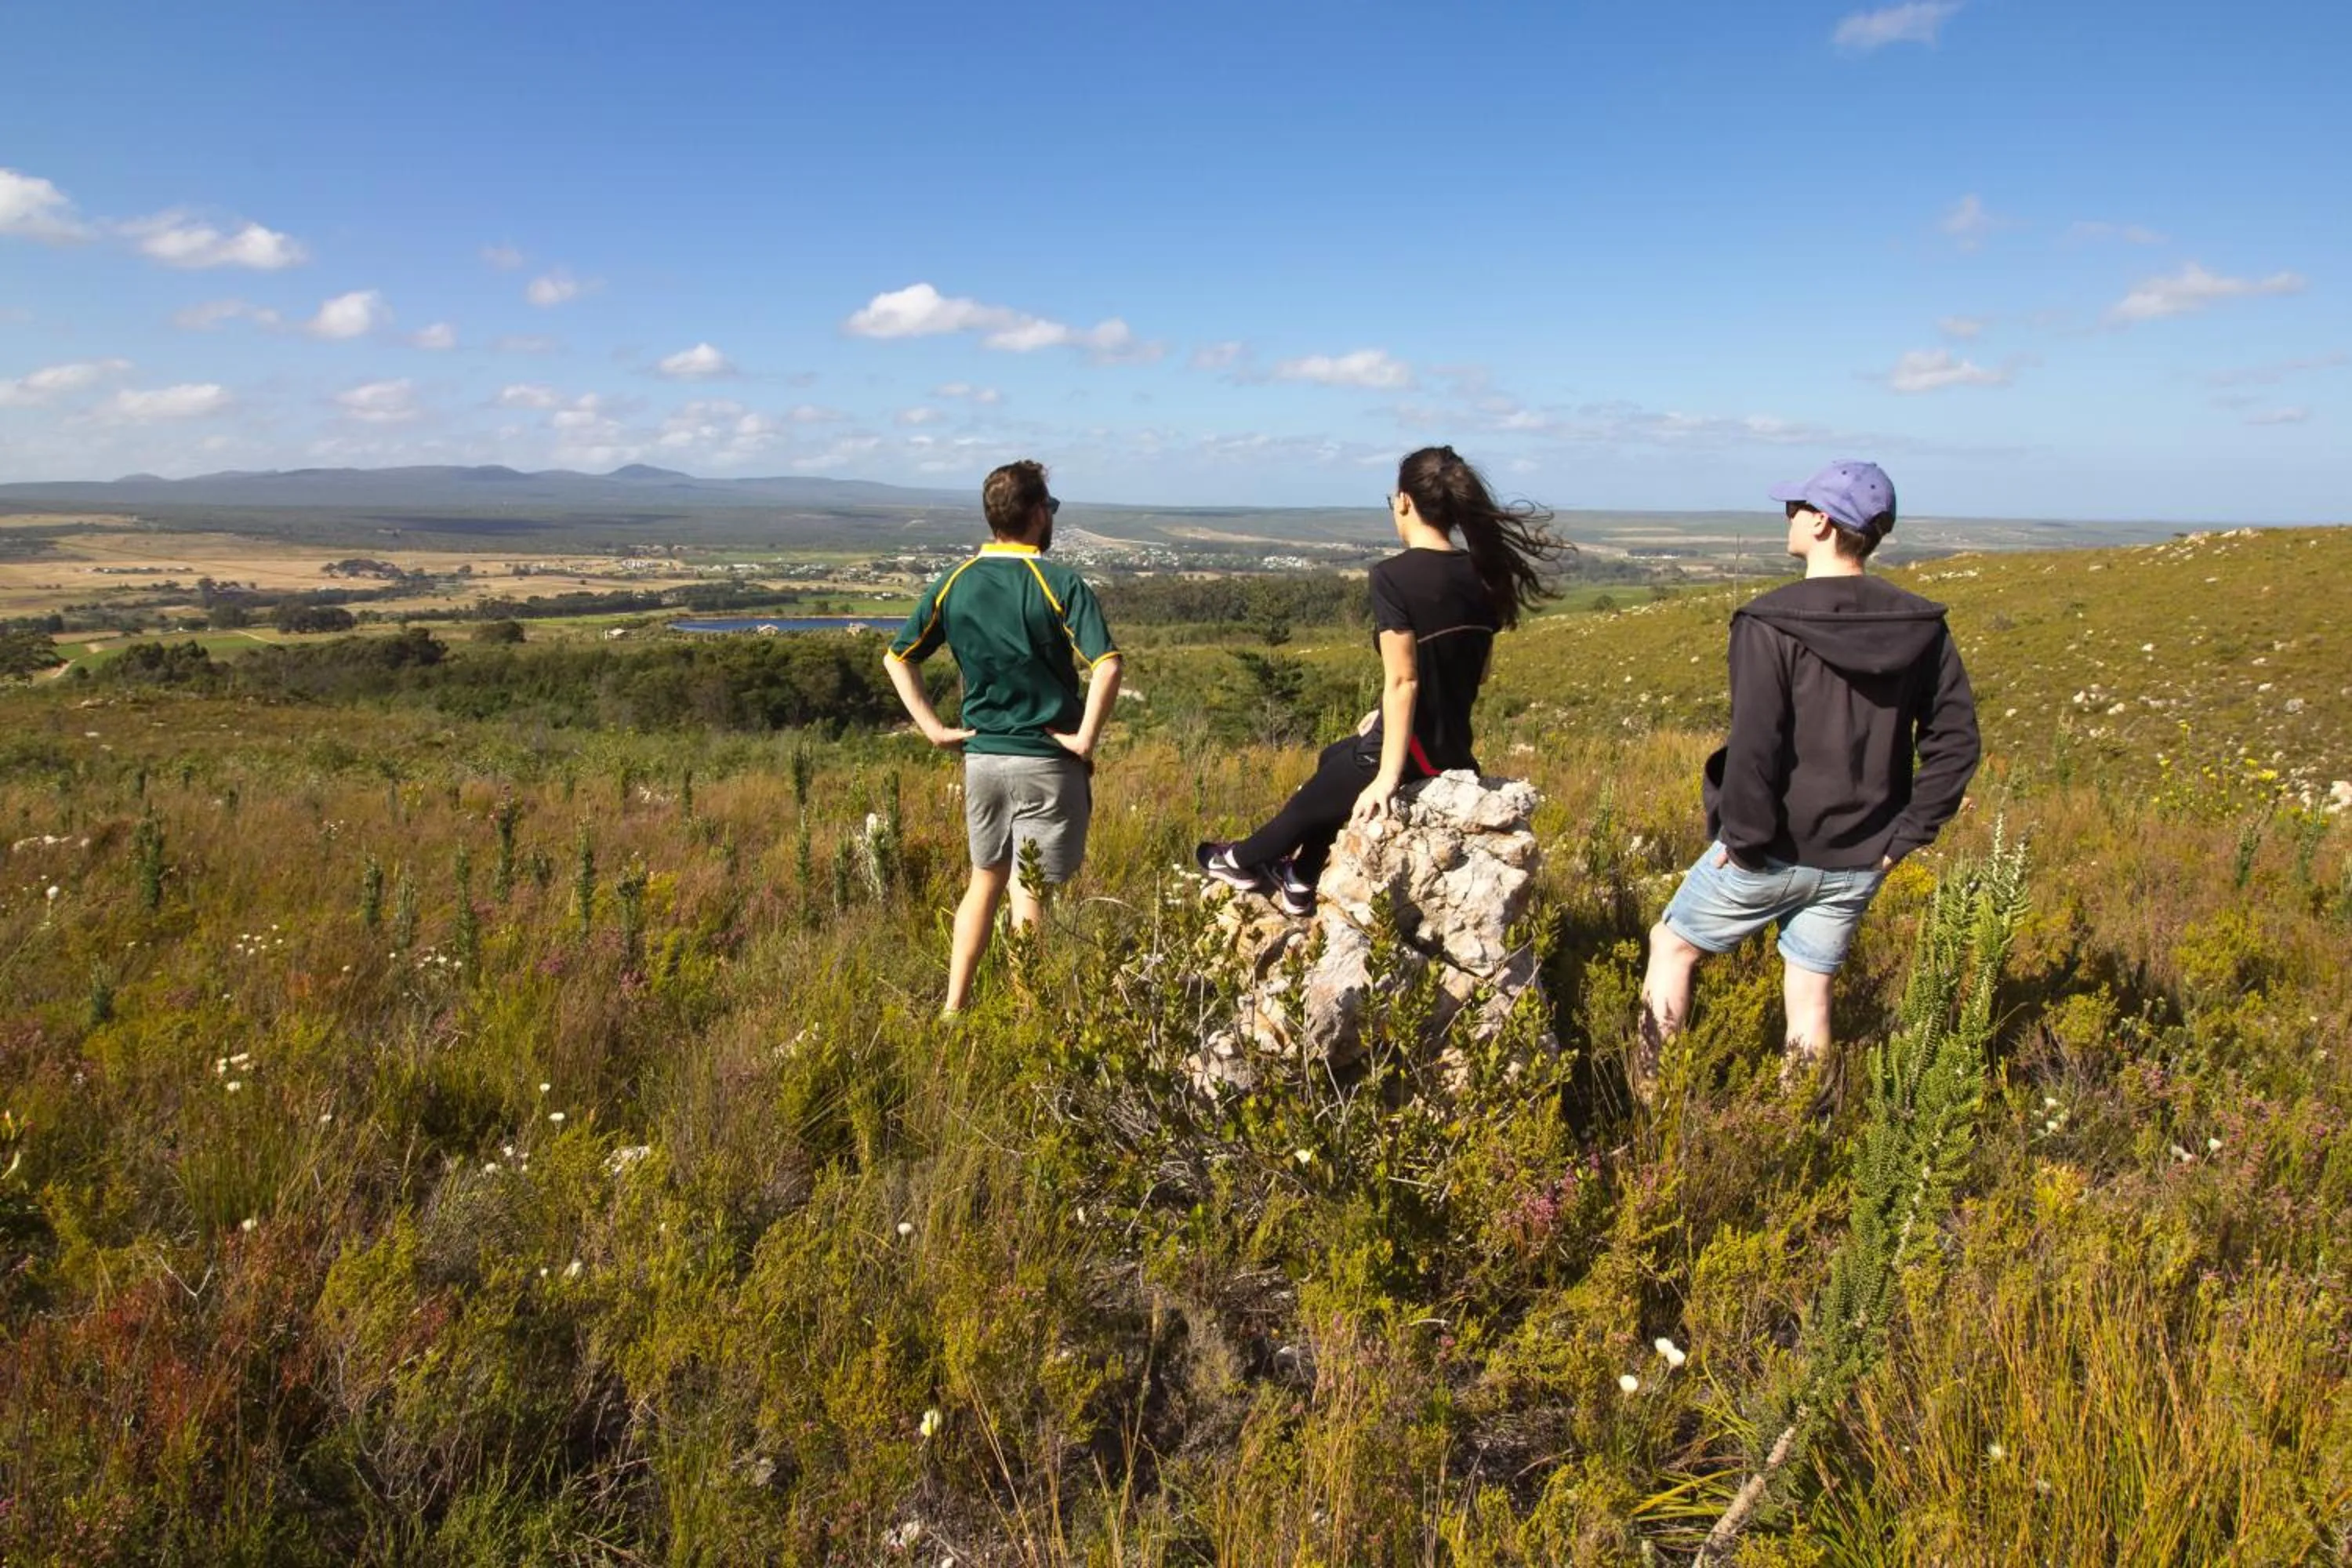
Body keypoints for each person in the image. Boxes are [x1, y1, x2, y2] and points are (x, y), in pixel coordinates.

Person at [1639, 459, 1980, 1096]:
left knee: (1672, 946)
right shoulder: (1921, 626)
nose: (1788, 516)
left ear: (1822, 522)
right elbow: (1955, 743)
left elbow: (1756, 747)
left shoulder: (1768, 622)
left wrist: (1744, 843)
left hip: (1771, 850)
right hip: (1863, 855)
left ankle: (1652, 1108)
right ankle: (1799, 1129)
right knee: (1810, 992)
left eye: (1795, 507)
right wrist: (1904, 837)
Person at [1195, 445, 1563, 915]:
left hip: (1411, 751)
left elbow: (1404, 680)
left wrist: (1388, 776)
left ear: (1405, 501)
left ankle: (1238, 860)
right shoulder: (1482, 573)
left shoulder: (1393, 576)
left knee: (1311, 802)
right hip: (1454, 746)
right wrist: (1386, 716)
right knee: (1333, 757)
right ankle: (1300, 877)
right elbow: (1479, 671)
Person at [884, 459, 1122, 1014]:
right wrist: (1085, 740)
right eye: (1050, 507)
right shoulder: (1059, 583)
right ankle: (1028, 1017)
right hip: (1046, 760)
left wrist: (935, 730)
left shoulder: (955, 581)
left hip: (983, 759)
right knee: (1028, 893)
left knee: (983, 882)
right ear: (1037, 513)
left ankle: (953, 1009)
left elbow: (898, 658)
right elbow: (1107, 665)